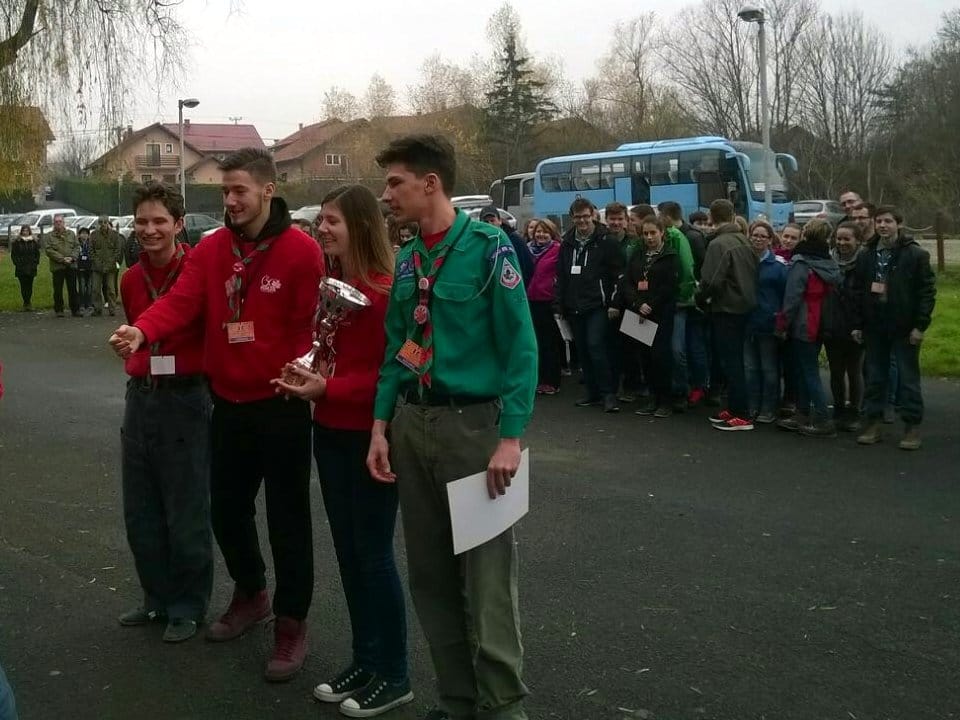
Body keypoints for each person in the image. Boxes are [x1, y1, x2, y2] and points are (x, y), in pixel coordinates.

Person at [109, 147, 324, 681]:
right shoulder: (211, 248)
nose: (229, 201)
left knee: (288, 519)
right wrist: (143, 330)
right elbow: (181, 301)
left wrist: (301, 371)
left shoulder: (301, 250)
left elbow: (311, 328)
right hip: (226, 402)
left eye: (238, 191)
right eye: (224, 191)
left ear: (267, 190)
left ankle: (292, 623)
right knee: (226, 512)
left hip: (282, 403)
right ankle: (252, 593)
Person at [366, 134, 537, 720]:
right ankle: (457, 701)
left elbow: (521, 349)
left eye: (395, 183)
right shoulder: (410, 257)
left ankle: (503, 706)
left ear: (430, 183)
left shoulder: (490, 249)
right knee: (431, 574)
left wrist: (510, 437)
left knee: (486, 579)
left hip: (473, 429)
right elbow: (398, 350)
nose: (387, 195)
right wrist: (380, 426)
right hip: (414, 425)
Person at [271, 185, 413, 717]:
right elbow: (332, 355)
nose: (322, 229)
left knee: (373, 557)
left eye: (332, 221)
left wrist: (330, 387)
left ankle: (395, 673)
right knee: (350, 555)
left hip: (369, 435)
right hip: (329, 430)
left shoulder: (383, 291)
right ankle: (366, 659)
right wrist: (310, 373)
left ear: (360, 225)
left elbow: (391, 373)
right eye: (321, 221)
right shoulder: (338, 286)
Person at [115, 181, 213, 644]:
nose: (149, 230)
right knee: (141, 509)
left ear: (178, 225)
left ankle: (188, 605)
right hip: (142, 397)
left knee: (186, 508)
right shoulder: (131, 278)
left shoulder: (196, 271)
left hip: (186, 399)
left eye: (159, 221)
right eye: (142, 222)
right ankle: (155, 598)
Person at [851, 206, 936, 450]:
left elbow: (926, 292)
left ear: (899, 224)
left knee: (908, 379)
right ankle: (873, 423)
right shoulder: (866, 255)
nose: (883, 226)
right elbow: (857, 291)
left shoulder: (915, 255)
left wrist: (920, 325)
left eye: (888, 221)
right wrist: (857, 324)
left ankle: (911, 427)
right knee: (875, 377)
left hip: (904, 326)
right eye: (879, 221)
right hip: (875, 326)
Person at [775, 219, 842, 437]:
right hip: (823, 321)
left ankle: (822, 418)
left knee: (808, 371)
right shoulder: (829, 262)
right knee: (807, 368)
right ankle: (802, 413)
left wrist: (782, 324)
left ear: (805, 235)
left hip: (804, 323)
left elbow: (792, 297)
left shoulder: (801, 262)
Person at [558, 197, 624, 413]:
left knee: (597, 346)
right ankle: (592, 393)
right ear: (572, 218)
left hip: (598, 304)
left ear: (593, 215)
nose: (582, 221)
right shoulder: (567, 242)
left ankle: (608, 394)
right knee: (583, 350)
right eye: (578, 217)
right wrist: (559, 305)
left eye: (586, 216)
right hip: (575, 305)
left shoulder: (606, 240)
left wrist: (614, 302)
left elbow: (618, 274)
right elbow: (561, 276)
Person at [699, 199, 758, 431]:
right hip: (745, 305)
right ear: (733, 215)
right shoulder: (744, 240)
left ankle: (741, 413)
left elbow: (711, 281)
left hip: (727, 308)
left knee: (731, 362)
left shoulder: (718, 244)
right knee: (736, 361)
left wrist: (700, 299)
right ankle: (735, 407)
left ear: (711, 217)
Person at [618, 215, 679, 418]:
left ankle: (665, 400)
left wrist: (650, 305)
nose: (650, 237)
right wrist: (637, 303)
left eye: (653, 233)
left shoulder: (670, 256)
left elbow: (668, 287)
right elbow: (627, 281)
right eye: (646, 233)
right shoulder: (637, 254)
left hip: (660, 313)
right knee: (644, 357)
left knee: (660, 357)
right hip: (638, 311)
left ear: (662, 233)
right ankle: (652, 398)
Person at [744, 220, 787, 423]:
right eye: (755, 235)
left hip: (769, 324)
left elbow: (785, 294)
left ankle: (769, 407)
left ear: (770, 240)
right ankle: (752, 405)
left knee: (769, 369)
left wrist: (781, 320)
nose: (758, 239)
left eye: (763, 236)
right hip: (748, 322)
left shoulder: (778, 266)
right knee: (751, 368)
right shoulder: (744, 262)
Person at [657, 201, 697, 409]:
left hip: (676, 303)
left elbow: (687, 269)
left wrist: (682, 295)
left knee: (676, 349)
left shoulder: (677, 238)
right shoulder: (642, 244)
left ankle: (681, 388)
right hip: (655, 305)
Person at [826, 221, 866, 432]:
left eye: (846, 239)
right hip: (832, 324)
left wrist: (860, 324)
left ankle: (855, 411)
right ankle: (839, 408)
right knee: (835, 371)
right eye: (839, 238)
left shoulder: (864, 263)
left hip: (855, 325)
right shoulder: (829, 261)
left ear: (857, 241)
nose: (842, 242)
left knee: (854, 370)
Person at [604, 202, 641, 402]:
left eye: (620, 219)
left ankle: (634, 385)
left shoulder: (635, 243)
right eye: (612, 219)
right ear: (606, 220)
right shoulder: (602, 241)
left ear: (626, 221)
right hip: (607, 303)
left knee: (634, 346)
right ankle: (616, 386)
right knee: (613, 346)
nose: (616, 223)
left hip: (631, 302)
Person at [526, 218, 563, 395]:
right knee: (535, 343)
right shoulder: (527, 250)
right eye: (538, 231)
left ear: (552, 233)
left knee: (550, 343)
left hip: (548, 301)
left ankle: (552, 380)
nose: (541, 235)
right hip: (529, 300)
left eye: (545, 232)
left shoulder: (557, 250)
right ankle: (538, 379)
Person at [479, 205, 533, 285]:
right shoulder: (479, 243)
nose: (489, 224)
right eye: (486, 222)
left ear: (500, 221)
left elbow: (528, 266)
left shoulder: (514, 239)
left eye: (492, 220)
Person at [44, 214, 80, 317]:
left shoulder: (71, 234)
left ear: (64, 222)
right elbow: (49, 250)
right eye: (56, 222)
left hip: (71, 265)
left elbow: (77, 247)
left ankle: (75, 309)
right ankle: (59, 310)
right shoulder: (50, 236)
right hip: (57, 266)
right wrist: (62, 259)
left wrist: (72, 257)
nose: (58, 223)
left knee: (73, 288)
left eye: (60, 221)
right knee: (58, 289)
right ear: (53, 223)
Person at [90, 215, 123, 316]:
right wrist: (98, 263)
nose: (103, 225)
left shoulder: (114, 235)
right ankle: (97, 309)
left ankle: (112, 309)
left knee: (111, 289)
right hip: (97, 267)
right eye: (100, 223)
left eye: (105, 222)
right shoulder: (94, 235)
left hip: (110, 266)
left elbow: (117, 251)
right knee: (95, 289)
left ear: (108, 223)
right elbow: (91, 251)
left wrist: (109, 264)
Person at [10, 225, 40, 311]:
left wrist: (35, 263)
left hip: (31, 267)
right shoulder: (17, 242)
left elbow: (37, 253)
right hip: (21, 267)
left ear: (29, 231)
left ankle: (29, 303)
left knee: (30, 285)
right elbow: (14, 255)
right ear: (21, 231)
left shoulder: (33, 242)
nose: (25, 232)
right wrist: (17, 263)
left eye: (27, 231)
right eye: (23, 231)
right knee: (23, 286)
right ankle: (25, 303)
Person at [77, 227, 94, 315]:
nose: (84, 235)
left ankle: (89, 304)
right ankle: (82, 304)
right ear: (79, 235)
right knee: (82, 287)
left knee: (90, 287)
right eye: (82, 233)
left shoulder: (90, 244)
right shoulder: (78, 244)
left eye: (86, 233)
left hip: (89, 268)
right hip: (80, 268)